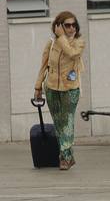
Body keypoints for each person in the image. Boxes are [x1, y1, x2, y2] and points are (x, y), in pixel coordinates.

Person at [33, 10, 86, 170]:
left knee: (67, 122)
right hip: (51, 88)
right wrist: (38, 87)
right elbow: (43, 66)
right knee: (58, 123)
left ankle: (64, 157)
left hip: (70, 89)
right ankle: (68, 157)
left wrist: (62, 37)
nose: (72, 28)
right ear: (58, 26)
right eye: (67, 25)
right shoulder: (51, 43)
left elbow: (72, 54)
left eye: (73, 25)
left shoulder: (79, 42)